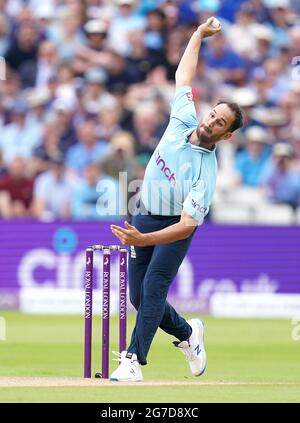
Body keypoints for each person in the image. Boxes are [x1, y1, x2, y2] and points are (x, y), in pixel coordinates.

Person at [110, 17, 243, 382]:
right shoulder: (183, 117)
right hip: (145, 215)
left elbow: (186, 225)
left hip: (173, 229)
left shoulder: (206, 171)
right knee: (140, 299)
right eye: (213, 114)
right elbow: (183, 76)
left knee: (154, 287)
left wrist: (146, 240)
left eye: (220, 124)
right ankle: (187, 333)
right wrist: (198, 34)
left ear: (226, 136)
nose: (212, 122)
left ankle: (133, 361)